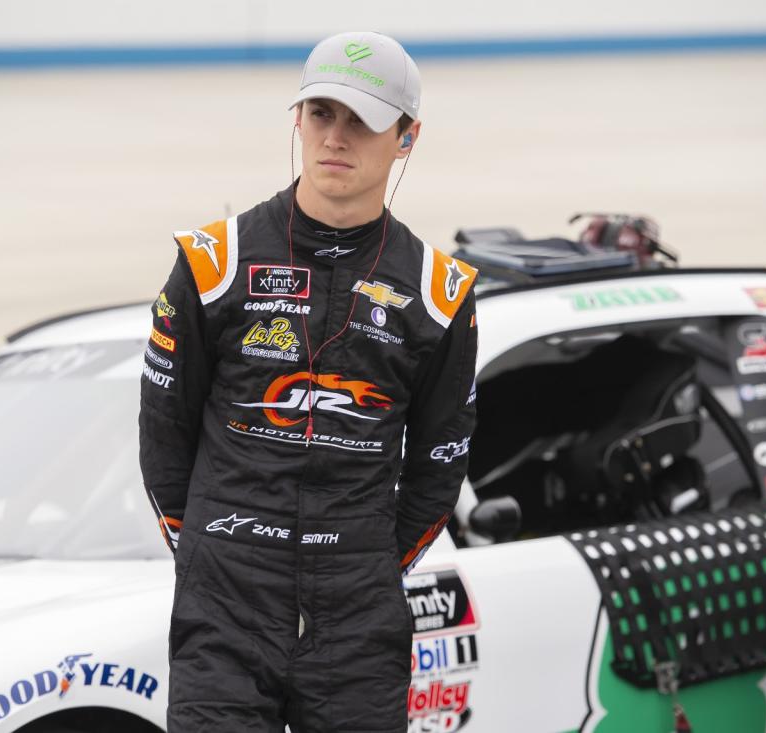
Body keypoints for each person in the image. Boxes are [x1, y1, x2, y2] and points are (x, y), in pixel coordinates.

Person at [139, 30, 478, 733]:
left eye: (362, 121)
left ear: (407, 137)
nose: (336, 137)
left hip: (357, 611)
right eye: (322, 114)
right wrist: (212, 543)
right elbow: (163, 437)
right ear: (297, 118)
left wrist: (368, 563)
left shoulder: (439, 292)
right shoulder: (214, 263)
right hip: (225, 598)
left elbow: (440, 463)